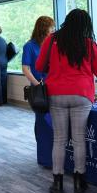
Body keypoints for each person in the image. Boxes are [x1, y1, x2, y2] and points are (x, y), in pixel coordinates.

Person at [35, 9, 97, 193]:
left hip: (56, 94)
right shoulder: (88, 43)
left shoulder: (52, 40)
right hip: (82, 95)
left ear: (67, 21)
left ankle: (58, 183)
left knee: (59, 140)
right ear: (86, 25)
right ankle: (79, 183)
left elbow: (39, 67)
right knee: (79, 139)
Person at [22, 16, 55, 167]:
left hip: (54, 87)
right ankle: (44, 156)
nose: (53, 31)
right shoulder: (29, 46)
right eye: (51, 28)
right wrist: (37, 84)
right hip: (39, 89)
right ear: (43, 28)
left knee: (54, 122)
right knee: (42, 121)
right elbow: (26, 68)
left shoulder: (52, 44)